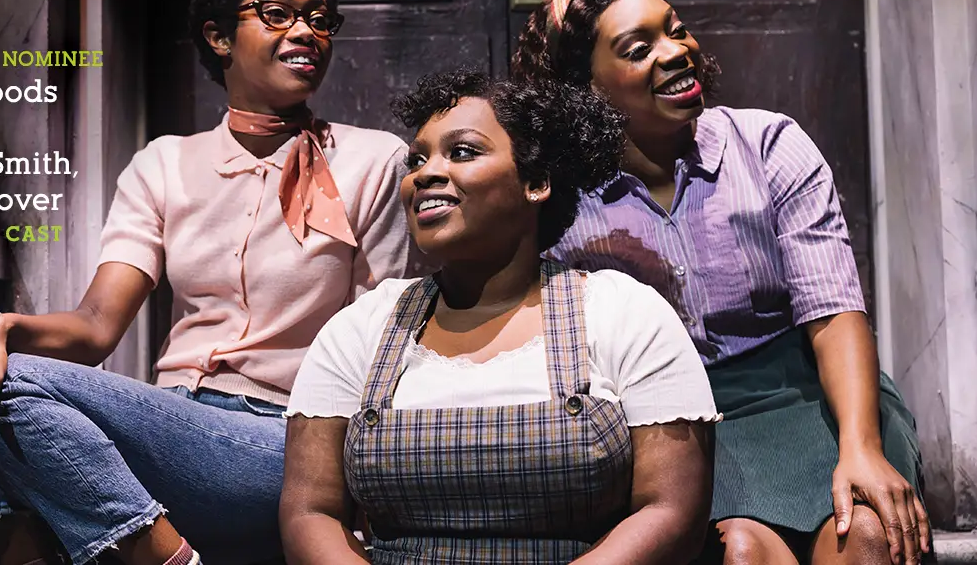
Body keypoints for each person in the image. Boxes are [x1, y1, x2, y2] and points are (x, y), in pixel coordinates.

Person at [0, 0, 420, 565]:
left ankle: (153, 557)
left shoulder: (376, 160)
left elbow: (380, 346)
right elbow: (94, 328)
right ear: (219, 36)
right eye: (278, 13)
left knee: (11, 379)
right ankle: (15, 546)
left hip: (281, 444)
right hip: (167, 429)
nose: (306, 30)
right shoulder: (164, 164)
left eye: (319, 18)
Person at [512, 0, 931, 565]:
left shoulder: (768, 146)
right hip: (667, 425)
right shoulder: (561, 201)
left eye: (676, 31)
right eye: (639, 48)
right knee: (741, 552)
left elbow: (834, 313)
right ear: (585, 87)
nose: (676, 52)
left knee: (866, 537)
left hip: (810, 398)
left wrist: (861, 446)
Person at [279, 70, 718, 564]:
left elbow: (671, 510)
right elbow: (309, 512)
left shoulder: (624, 313)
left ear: (535, 183)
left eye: (462, 152)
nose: (425, 173)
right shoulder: (363, 327)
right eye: (417, 159)